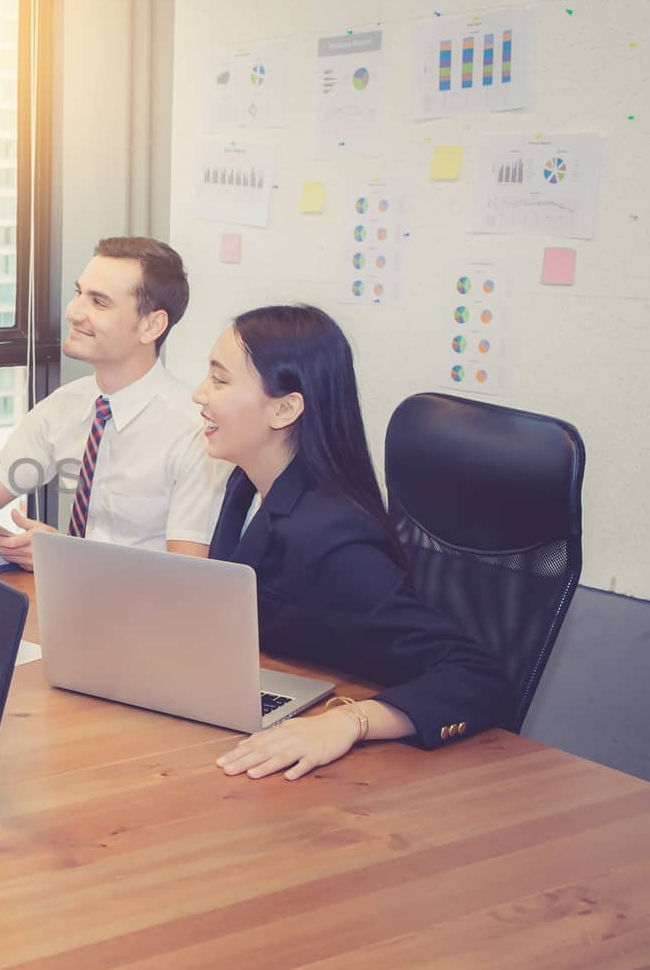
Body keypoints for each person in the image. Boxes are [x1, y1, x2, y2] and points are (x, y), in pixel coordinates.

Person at [194, 304, 511, 781]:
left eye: (219, 381)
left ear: (284, 409)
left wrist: (348, 722)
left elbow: (480, 679)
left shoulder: (333, 538)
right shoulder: (245, 486)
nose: (199, 394)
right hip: (267, 715)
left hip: (381, 778)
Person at [0, 237, 226, 570]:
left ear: (151, 325)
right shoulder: (65, 405)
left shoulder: (196, 430)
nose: (73, 312)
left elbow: (189, 575)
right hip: (67, 599)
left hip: (147, 613)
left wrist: (67, 558)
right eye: (80, 293)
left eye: (99, 302)